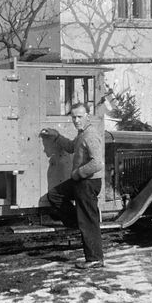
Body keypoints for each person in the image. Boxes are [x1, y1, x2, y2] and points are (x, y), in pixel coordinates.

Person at [40, 102, 104, 269]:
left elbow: (97, 163)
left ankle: (95, 259)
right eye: (74, 117)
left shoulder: (90, 135)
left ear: (87, 116)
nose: (76, 120)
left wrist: (78, 173)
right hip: (81, 181)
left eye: (80, 117)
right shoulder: (82, 133)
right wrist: (56, 136)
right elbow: (70, 147)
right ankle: (79, 223)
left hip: (88, 182)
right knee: (55, 195)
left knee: (89, 220)